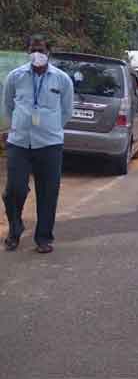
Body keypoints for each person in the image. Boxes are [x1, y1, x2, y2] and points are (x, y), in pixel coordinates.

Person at [2, 35, 73, 253]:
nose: (37, 55)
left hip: (50, 144)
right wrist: (17, 125)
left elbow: (66, 111)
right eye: (33, 50)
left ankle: (43, 238)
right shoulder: (16, 77)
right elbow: (7, 105)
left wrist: (50, 128)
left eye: (41, 50)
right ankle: (15, 228)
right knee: (14, 189)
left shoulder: (62, 80)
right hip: (19, 142)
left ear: (48, 52)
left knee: (48, 192)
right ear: (28, 52)